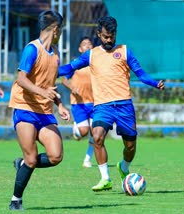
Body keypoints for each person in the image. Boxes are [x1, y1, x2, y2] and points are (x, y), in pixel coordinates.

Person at [59, 16, 165, 191]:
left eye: (112, 36)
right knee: (98, 136)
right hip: (102, 106)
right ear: (98, 34)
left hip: (124, 106)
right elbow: (69, 68)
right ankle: (105, 178)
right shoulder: (91, 54)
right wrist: (50, 72)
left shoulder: (124, 51)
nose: (109, 40)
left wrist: (155, 83)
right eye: (106, 36)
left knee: (130, 146)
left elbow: (141, 74)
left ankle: (123, 166)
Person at [8, 10, 70, 210]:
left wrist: (60, 105)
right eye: (61, 31)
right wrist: (42, 92)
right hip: (24, 108)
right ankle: (16, 200)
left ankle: (23, 165)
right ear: (56, 29)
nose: (61, 35)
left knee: (56, 156)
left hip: (44, 112)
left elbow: (50, 86)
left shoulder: (55, 55)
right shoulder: (31, 49)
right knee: (32, 158)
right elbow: (21, 78)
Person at [61, 36, 94, 168]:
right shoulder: (76, 63)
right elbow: (63, 79)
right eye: (85, 44)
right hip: (78, 103)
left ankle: (87, 159)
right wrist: (71, 87)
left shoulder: (96, 64)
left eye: (90, 44)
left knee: (97, 132)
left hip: (95, 102)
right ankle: (77, 129)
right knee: (84, 132)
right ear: (80, 49)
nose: (88, 46)